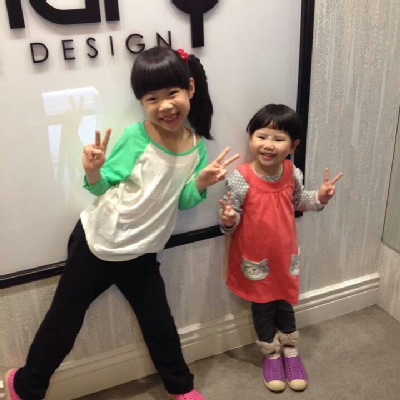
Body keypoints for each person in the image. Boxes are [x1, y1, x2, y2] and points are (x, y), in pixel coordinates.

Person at [4, 46, 239, 400]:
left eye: (172, 93)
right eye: (152, 98)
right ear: (142, 102)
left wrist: (202, 183)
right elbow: (100, 188)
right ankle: (25, 386)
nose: (165, 106)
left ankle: (182, 388)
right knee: (63, 321)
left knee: (159, 324)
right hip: (98, 243)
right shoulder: (135, 137)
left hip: (143, 251)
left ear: (190, 88)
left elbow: (183, 201)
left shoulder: (196, 146)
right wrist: (92, 170)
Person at [219, 104, 343, 393]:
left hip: (285, 257)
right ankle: (271, 353)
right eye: (262, 136)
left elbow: (299, 201)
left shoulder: (291, 172)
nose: (269, 145)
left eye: (278, 139)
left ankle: (290, 349)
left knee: (285, 303)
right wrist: (228, 219)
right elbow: (231, 220)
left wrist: (320, 197)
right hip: (255, 259)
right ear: (250, 138)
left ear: (293, 145)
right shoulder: (240, 178)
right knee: (263, 307)